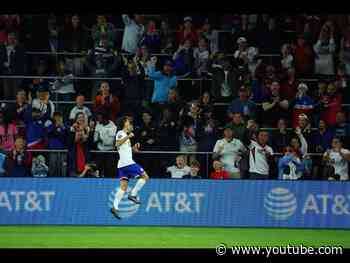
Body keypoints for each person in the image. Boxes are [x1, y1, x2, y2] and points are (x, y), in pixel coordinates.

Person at [111, 116, 149, 220]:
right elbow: (117, 144)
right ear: (124, 123)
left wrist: (133, 148)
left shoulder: (124, 135)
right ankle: (133, 194)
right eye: (128, 121)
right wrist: (129, 137)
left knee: (123, 187)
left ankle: (114, 207)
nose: (129, 123)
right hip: (127, 163)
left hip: (122, 164)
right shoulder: (120, 133)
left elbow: (124, 149)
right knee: (145, 177)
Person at [0, 31, 26, 99]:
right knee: (7, 93)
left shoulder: (20, 48)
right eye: (9, 38)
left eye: (12, 38)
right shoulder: (3, 47)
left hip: (16, 74)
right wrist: (4, 64)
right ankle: (8, 108)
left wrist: (14, 50)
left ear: (15, 39)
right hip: (6, 73)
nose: (11, 40)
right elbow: (1, 59)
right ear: (7, 38)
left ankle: (15, 108)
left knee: (15, 94)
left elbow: (21, 61)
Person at [94, 110, 117, 178]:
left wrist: (102, 140)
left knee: (109, 170)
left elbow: (110, 142)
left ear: (105, 118)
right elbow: (95, 139)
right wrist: (98, 139)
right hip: (100, 151)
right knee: (98, 170)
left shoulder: (113, 127)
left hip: (109, 152)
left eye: (100, 118)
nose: (98, 120)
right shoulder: (98, 125)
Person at [46, 112, 68, 177]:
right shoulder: (50, 126)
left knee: (63, 168)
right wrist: (55, 126)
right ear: (54, 118)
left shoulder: (65, 126)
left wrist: (62, 127)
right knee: (53, 167)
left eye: (59, 117)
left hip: (63, 151)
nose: (58, 118)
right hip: (53, 150)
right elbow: (48, 134)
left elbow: (68, 136)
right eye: (56, 117)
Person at [68, 112, 91, 177]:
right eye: (79, 117)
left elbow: (89, 143)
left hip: (85, 163)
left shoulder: (87, 131)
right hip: (74, 164)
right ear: (76, 119)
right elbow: (70, 142)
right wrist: (74, 134)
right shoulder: (71, 131)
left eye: (82, 117)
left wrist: (88, 133)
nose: (81, 119)